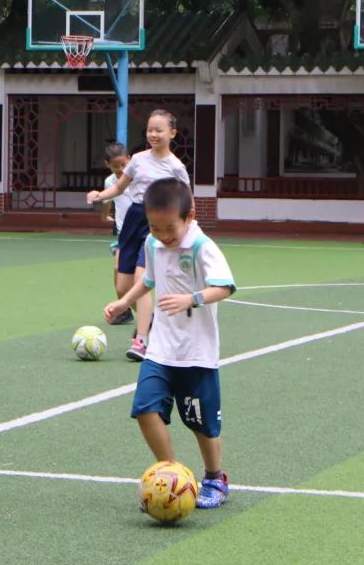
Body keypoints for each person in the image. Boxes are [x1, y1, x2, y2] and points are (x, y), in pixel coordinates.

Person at [103, 178, 236, 509]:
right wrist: (124, 303)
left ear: (189, 217)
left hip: (196, 353)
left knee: (201, 423)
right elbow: (150, 280)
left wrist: (190, 299)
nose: (162, 235)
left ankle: (215, 476)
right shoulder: (152, 242)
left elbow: (226, 286)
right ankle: (173, 476)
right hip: (161, 350)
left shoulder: (202, 246)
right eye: (154, 226)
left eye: (169, 228)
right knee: (145, 409)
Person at [88, 110, 190, 361]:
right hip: (133, 220)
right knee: (122, 288)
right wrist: (99, 196)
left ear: (172, 133)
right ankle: (152, 321)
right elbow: (119, 187)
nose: (153, 134)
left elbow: (187, 201)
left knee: (140, 281)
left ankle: (142, 340)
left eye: (159, 130)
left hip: (155, 222)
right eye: (150, 130)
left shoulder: (176, 167)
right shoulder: (138, 160)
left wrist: (186, 229)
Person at [99, 142, 134, 325]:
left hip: (143, 232)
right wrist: (105, 218)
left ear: (129, 159)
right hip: (124, 236)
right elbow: (107, 201)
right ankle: (125, 309)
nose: (121, 169)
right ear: (107, 165)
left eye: (123, 164)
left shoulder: (137, 179)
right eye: (115, 166)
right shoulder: (109, 182)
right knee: (117, 272)